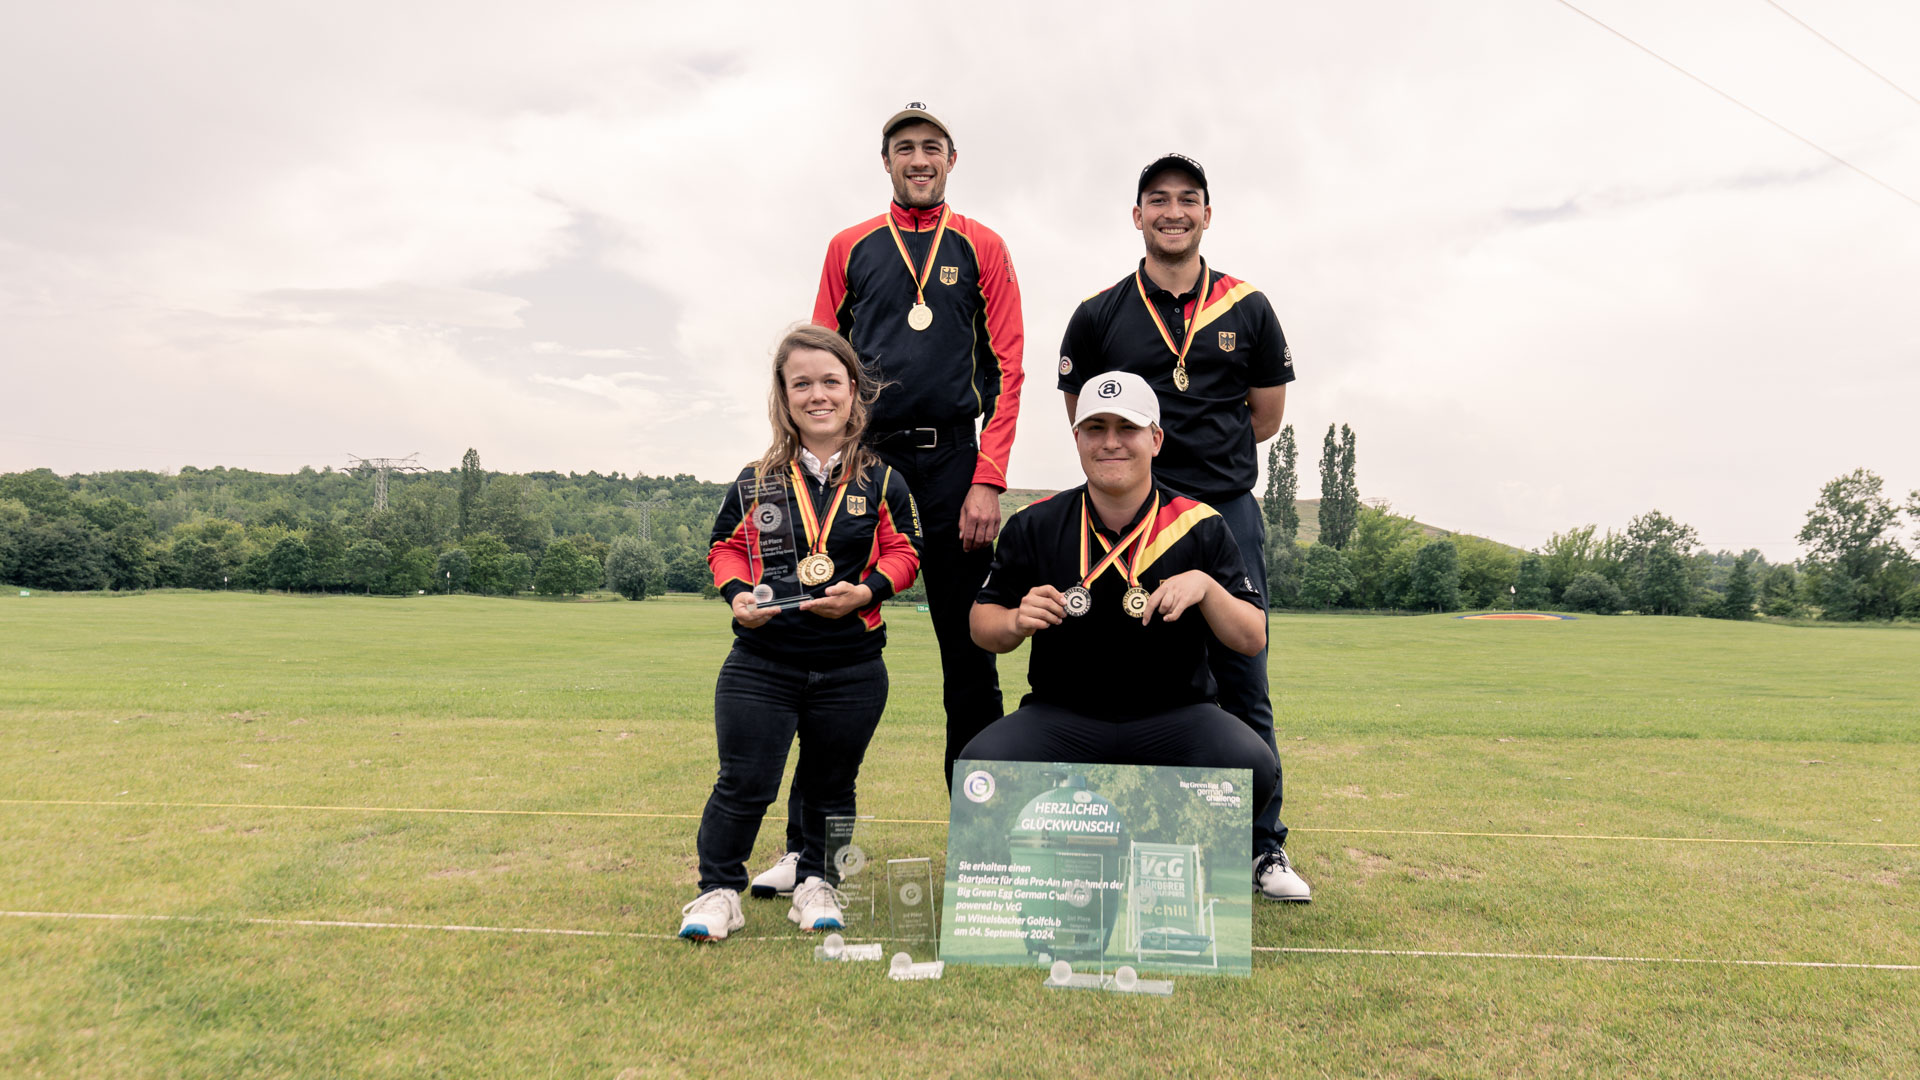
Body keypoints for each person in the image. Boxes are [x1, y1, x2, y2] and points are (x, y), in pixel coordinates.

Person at [750, 102, 1024, 898]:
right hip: (862, 465)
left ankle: (985, 847)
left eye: (930, 147)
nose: (918, 159)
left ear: (951, 157)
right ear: (887, 162)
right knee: (821, 649)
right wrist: (819, 466)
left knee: (969, 661)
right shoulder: (849, 246)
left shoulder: (984, 246)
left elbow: (1007, 368)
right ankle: (808, 853)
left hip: (953, 468)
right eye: (904, 148)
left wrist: (989, 478)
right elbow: (817, 363)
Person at [1055, 154, 1308, 902]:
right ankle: (1113, 836)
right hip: (1132, 515)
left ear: (1207, 213)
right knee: (1117, 668)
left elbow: (1266, 414)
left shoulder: (1248, 305)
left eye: (1187, 199)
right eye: (1157, 200)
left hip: (1223, 512)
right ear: (1136, 216)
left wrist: (1207, 474)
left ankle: (1264, 849)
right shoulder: (1100, 312)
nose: (1173, 211)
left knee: (1242, 676)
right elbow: (1082, 416)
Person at [678, 324, 923, 942]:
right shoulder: (755, 477)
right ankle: (718, 892)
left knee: (833, 785)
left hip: (852, 665)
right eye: (802, 383)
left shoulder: (884, 480)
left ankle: (818, 881)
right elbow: (725, 548)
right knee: (744, 782)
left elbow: (906, 550)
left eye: (831, 382)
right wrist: (737, 596)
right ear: (784, 397)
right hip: (763, 661)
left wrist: (867, 591)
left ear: (853, 392)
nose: (818, 395)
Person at [963, 371, 1280, 827]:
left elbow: (1251, 638)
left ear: (1155, 439)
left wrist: (1207, 589)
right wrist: (1015, 620)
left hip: (1176, 715)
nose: (1110, 442)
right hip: (1063, 715)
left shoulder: (1199, 524)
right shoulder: (1035, 523)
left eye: (1127, 428)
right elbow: (981, 623)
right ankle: (1033, 864)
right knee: (983, 766)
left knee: (1251, 763)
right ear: (1077, 439)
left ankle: (1180, 853)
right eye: (1096, 428)